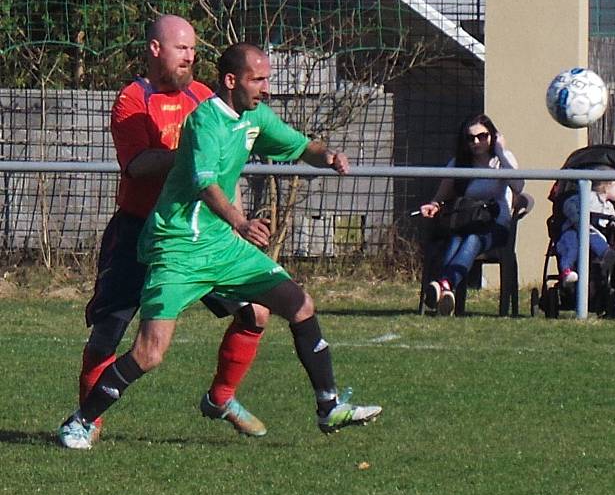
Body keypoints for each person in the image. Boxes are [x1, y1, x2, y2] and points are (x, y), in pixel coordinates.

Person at [58, 42, 381, 449]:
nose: (267, 88)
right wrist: (242, 223)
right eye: (258, 80)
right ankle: (80, 421)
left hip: (221, 247)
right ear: (231, 81)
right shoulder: (204, 122)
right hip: (178, 247)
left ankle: (327, 405)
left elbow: (300, 146)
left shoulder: (255, 116)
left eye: (267, 79)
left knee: (299, 304)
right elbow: (205, 185)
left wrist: (329, 155)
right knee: (149, 353)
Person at [73, 15, 272, 446]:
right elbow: (137, 165)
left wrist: (235, 223)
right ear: (156, 49)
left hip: (199, 234)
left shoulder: (204, 96)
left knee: (256, 311)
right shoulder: (133, 100)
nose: (191, 57)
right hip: (138, 232)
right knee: (108, 332)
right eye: (182, 48)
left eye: (194, 49)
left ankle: (220, 397)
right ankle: (87, 422)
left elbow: (226, 171)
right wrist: (188, 155)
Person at [418, 114, 524, 315]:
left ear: (492, 136)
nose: (476, 142)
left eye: (482, 136)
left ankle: (442, 285)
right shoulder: (459, 163)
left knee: (473, 239)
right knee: (458, 239)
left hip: (496, 222)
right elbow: (441, 194)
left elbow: (518, 186)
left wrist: (500, 151)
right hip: (467, 220)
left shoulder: (503, 159)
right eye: (470, 138)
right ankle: (446, 288)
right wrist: (433, 205)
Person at [555, 178, 615, 285]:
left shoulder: (608, 206)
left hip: (591, 232)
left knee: (598, 239)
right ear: (607, 187)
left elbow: (614, 222)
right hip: (573, 230)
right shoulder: (586, 196)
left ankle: (605, 258)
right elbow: (568, 205)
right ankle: (567, 270)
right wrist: (578, 219)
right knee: (572, 247)